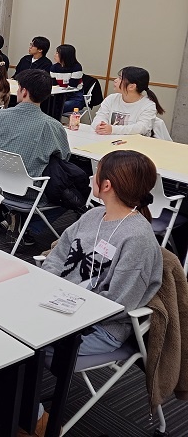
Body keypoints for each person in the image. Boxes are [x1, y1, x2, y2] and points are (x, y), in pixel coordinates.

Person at [43, 150, 162, 354]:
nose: (92, 177)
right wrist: (48, 291)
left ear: (106, 185)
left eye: (96, 172)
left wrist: (65, 308)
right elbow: (58, 257)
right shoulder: (94, 215)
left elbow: (119, 302)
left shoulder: (138, 239)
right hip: (59, 306)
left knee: (23, 345)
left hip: (98, 328)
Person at [0, 69, 70, 184]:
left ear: (24, 92)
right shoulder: (53, 126)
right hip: (28, 188)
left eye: (19, 88)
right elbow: (64, 158)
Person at [92, 66, 165, 136]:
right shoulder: (111, 98)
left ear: (131, 86)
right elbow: (100, 117)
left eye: (120, 78)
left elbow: (141, 128)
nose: (115, 80)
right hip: (108, 139)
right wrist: (100, 126)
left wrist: (112, 129)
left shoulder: (148, 105)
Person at [50, 43, 84, 113]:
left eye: (57, 53)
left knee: (59, 107)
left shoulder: (77, 67)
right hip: (59, 96)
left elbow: (72, 86)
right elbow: (54, 85)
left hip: (75, 97)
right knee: (47, 105)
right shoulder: (54, 68)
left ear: (65, 55)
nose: (55, 55)